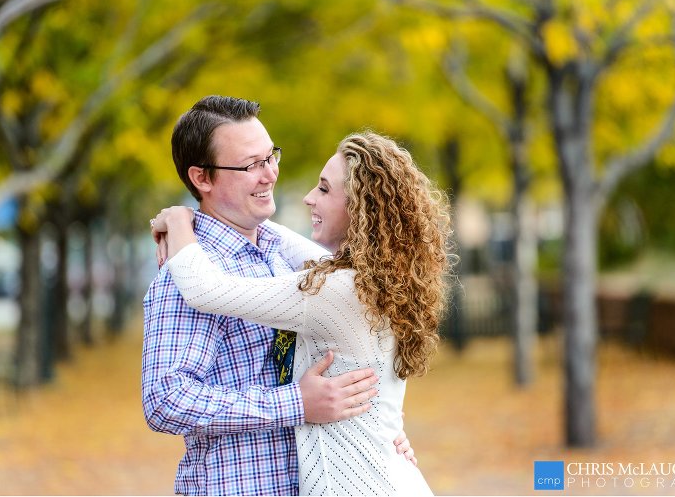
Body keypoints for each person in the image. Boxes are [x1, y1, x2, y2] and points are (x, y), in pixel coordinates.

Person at [150, 130, 453, 495]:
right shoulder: (375, 282)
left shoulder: (332, 290)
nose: (309, 198)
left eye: (324, 189)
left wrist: (182, 220)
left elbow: (204, 290)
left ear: (360, 209)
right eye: (253, 164)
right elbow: (282, 240)